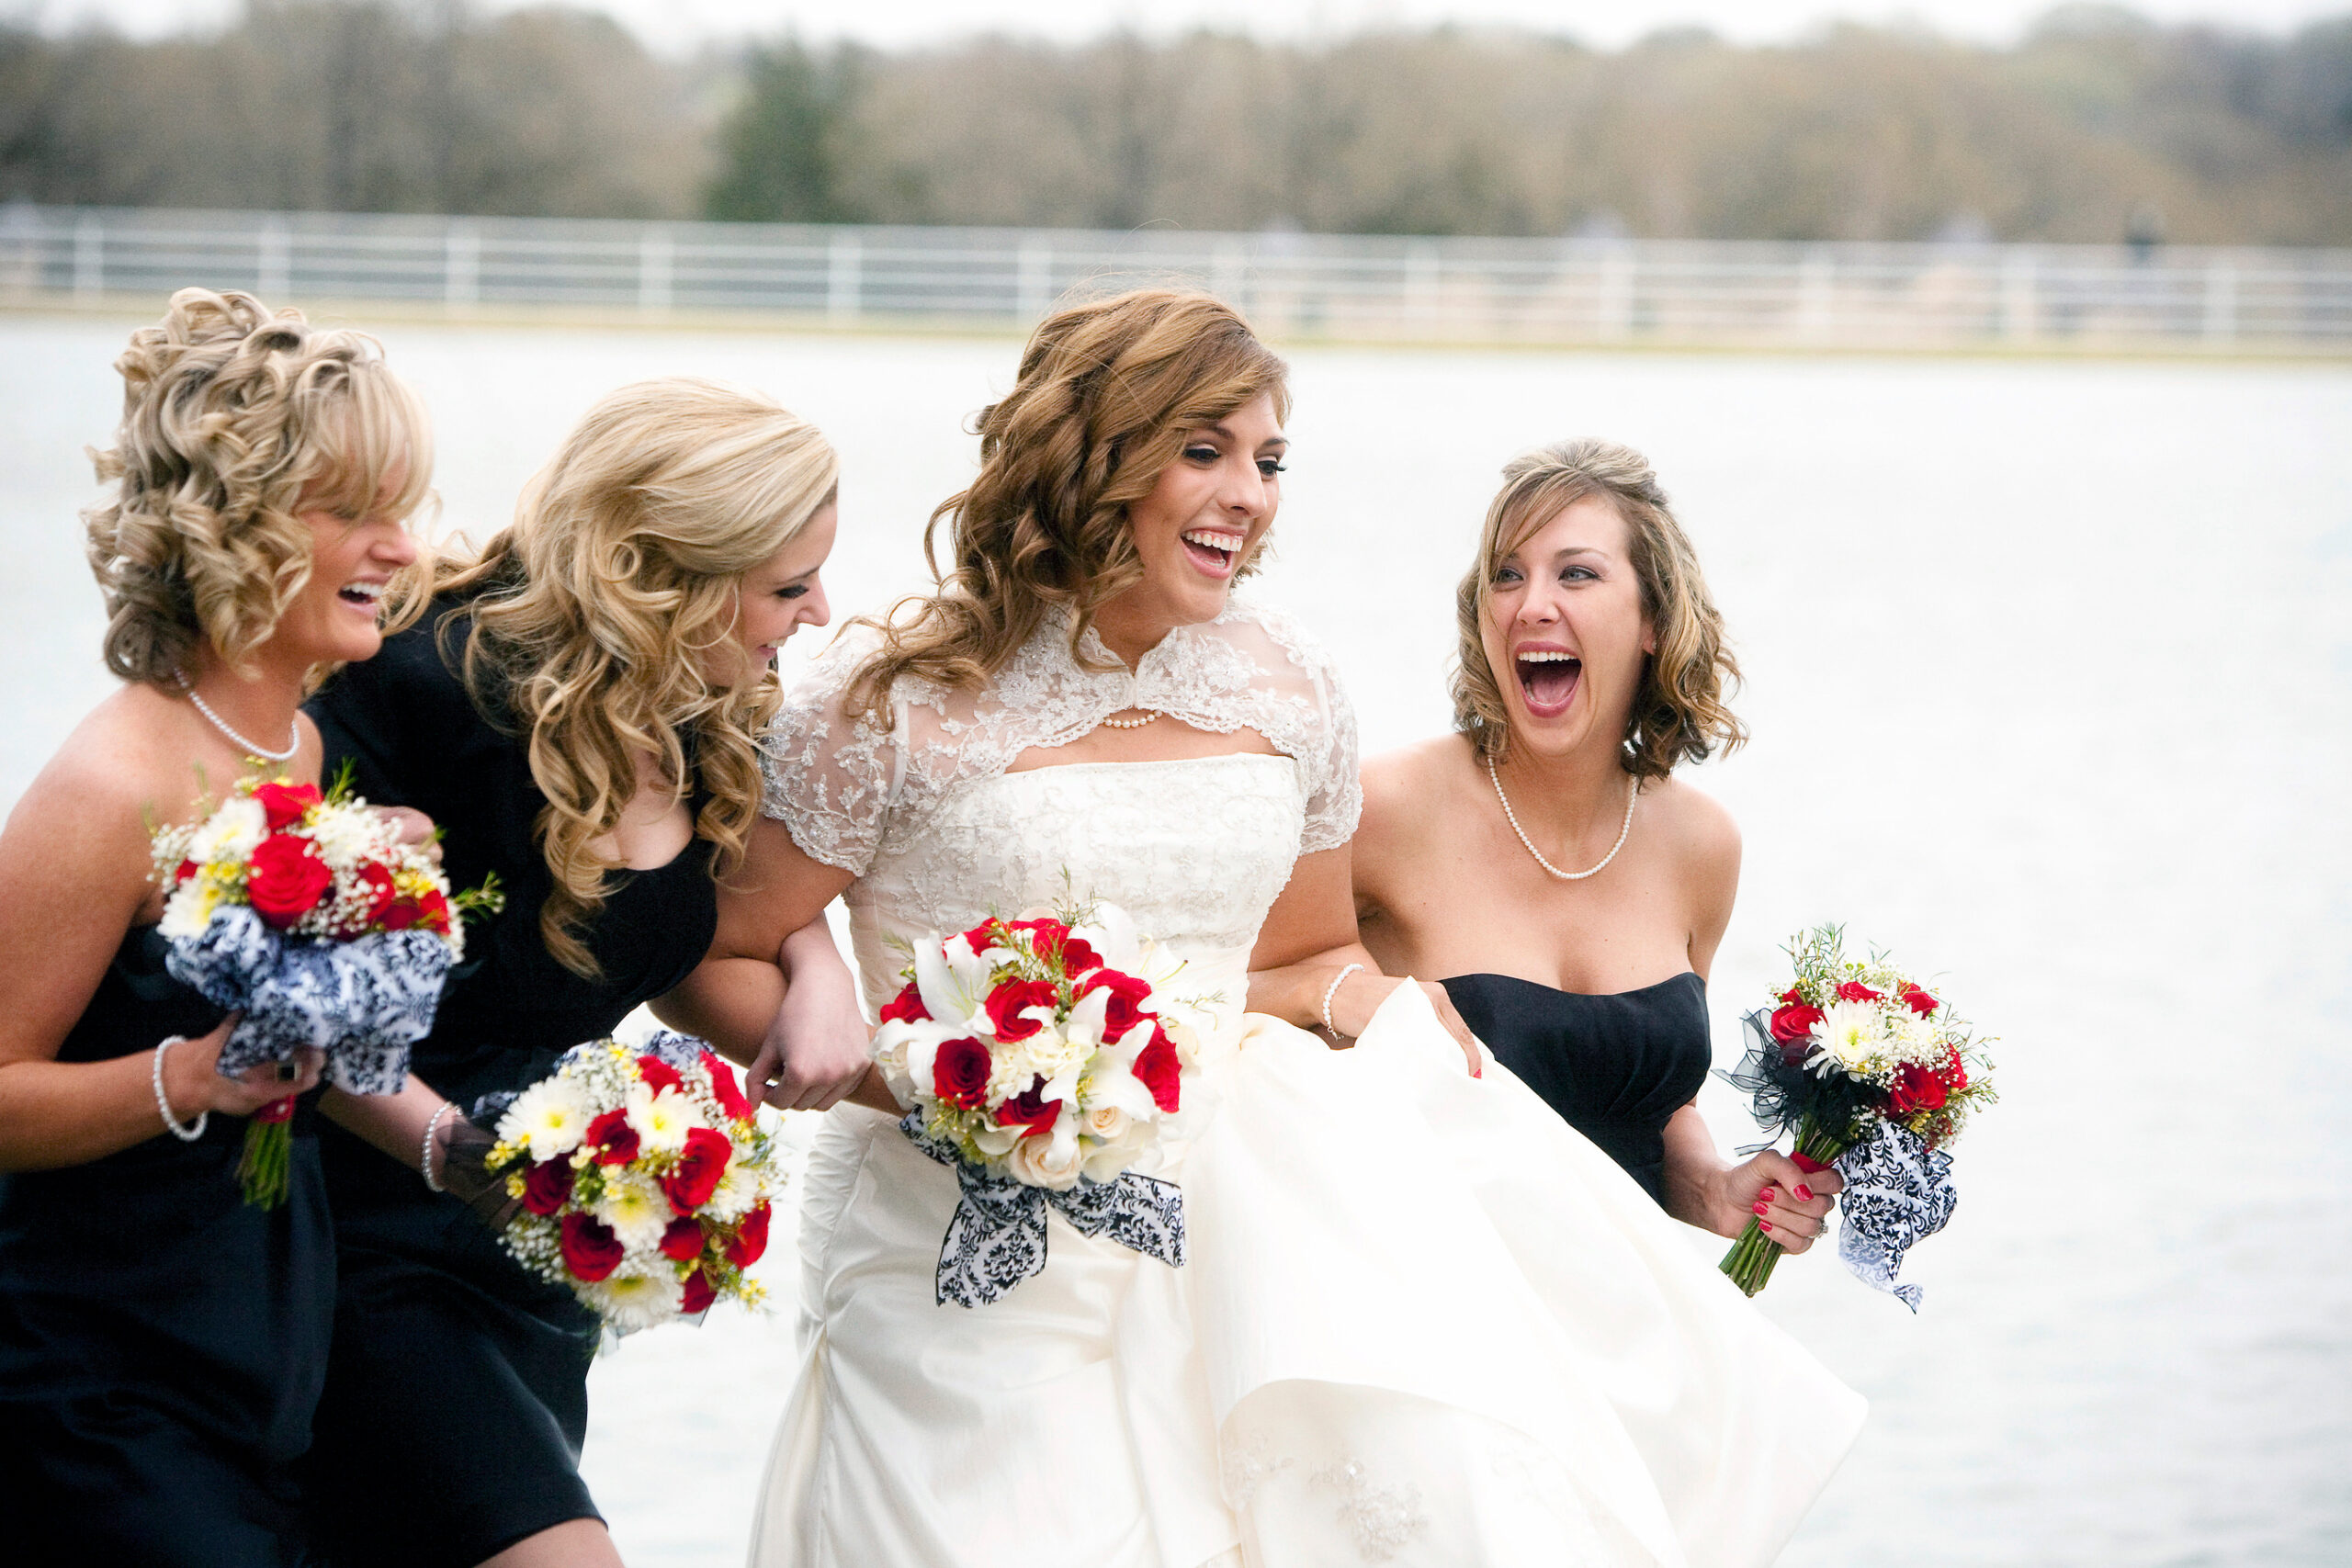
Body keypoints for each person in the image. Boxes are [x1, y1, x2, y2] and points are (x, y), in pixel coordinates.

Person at [669, 289, 1865, 1568]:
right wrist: (907, 1081)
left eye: (1270, 460)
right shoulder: (888, 697)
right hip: (954, 1243)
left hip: (1230, 1230)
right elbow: (711, 954)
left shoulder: (1287, 685)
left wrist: (1379, 1007)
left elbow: (1301, 957)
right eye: (1206, 450)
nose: (1251, 493)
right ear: (1093, 458)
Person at [299, 378, 854, 1568]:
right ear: (675, 574)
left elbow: (719, 904)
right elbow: (288, 993)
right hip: (356, 1216)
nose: (818, 614)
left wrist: (818, 958)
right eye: (790, 585)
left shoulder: (711, 707)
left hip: (533, 1249)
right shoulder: (422, 682)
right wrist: (455, 1148)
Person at [0, 288, 430, 1566]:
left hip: (262, 1356)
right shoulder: (109, 785)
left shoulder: (298, 742)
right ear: (234, 526)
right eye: (355, 509)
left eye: (403, 505)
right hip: (101, 1376)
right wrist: (188, 1075)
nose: (401, 546)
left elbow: (289, 1047)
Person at [1351, 438, 1844, 1250]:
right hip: (1431, 1305)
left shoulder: (1702, 844)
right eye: (1507, 575)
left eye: (1575, 573)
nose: (1532, 604)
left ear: (1653, 619)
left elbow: (1651, 1112)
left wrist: (1718, 1191)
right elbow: (1251, 1004)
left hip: (1628, 1317)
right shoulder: (1381, 809)